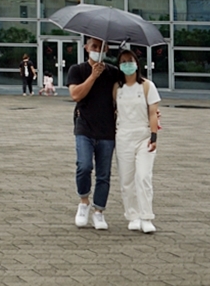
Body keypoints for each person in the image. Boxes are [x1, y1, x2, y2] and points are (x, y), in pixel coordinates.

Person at [66, 37, 123, 231]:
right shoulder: (78, 70)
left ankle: (99, 211)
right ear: (86, 48)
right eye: (94, 47)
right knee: (84, 166)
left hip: (107, 129)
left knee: (104, 174)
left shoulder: (113, 72)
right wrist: (93, 76)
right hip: (85, 127)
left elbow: (127, 90)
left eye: (101, 47)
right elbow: (75, 95)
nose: (97, 50)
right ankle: (84, 202)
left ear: (107, 48)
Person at [114, 48, 161, 233]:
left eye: (130, 61)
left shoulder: (147, 86)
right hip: (123, 137)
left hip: (143, 137)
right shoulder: (117, 88)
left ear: (137, 63)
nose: (128, 64)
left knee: (143, 177)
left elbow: (153, 113)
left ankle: (146, 216)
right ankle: (132, 215)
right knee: (127, 180)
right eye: (123, 61)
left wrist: (154, 135)